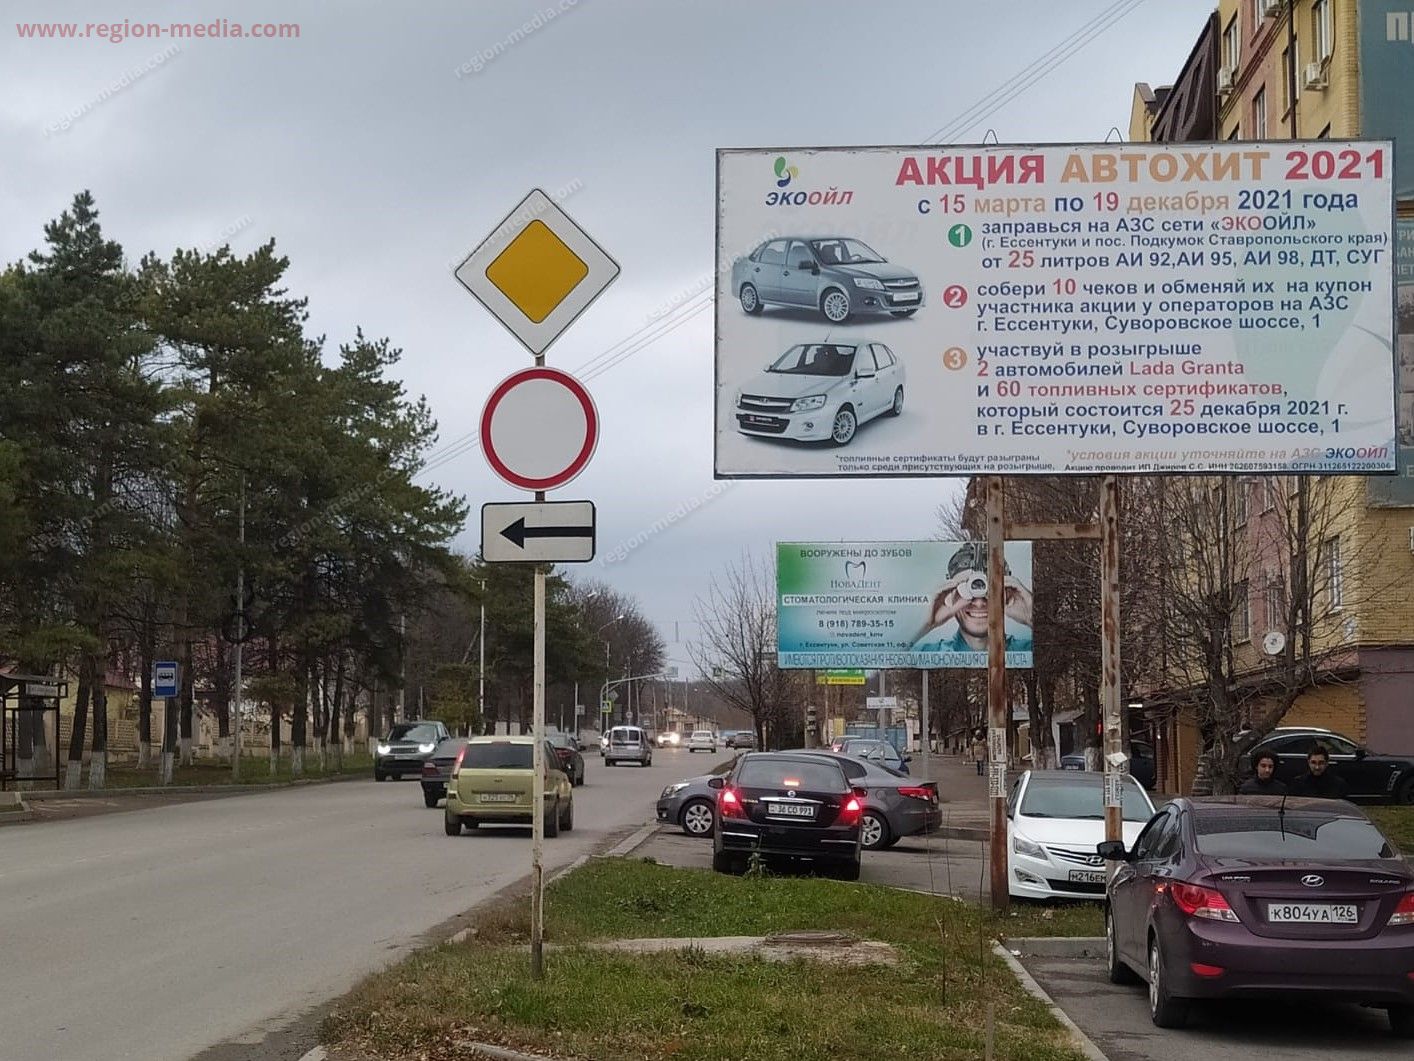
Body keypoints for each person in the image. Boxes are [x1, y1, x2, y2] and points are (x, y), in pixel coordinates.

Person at [911, 543, 1034, 654]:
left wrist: (1033, 618)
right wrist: (926, 624)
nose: (979, 603)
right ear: (949, 592)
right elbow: (898, 660)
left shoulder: (1031, 651)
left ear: (1007, 591)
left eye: (990, 589)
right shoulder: (926, 654)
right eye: (966, 589)